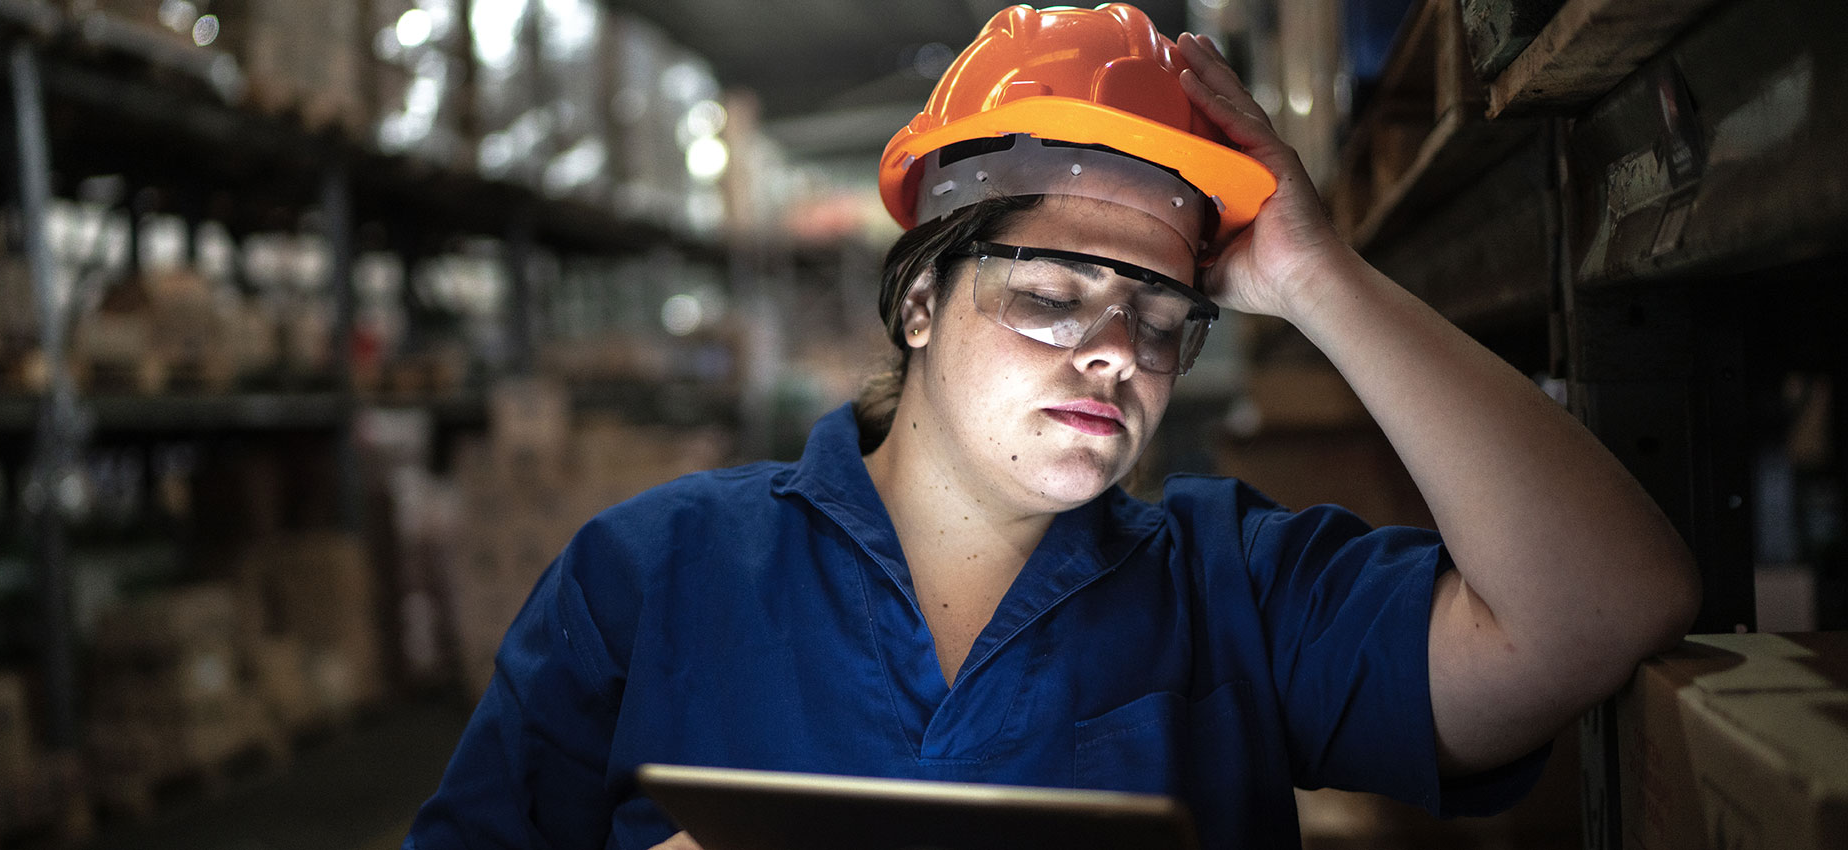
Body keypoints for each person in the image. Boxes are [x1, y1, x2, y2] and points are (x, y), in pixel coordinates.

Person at [404, 5, 1700, 849]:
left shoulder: (1228, 586)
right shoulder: (652, 579)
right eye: (1050, 292)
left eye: (1159, 312)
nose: (1113, 349)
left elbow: (1602, 604)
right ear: (919, 296)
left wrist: (1321, 282)